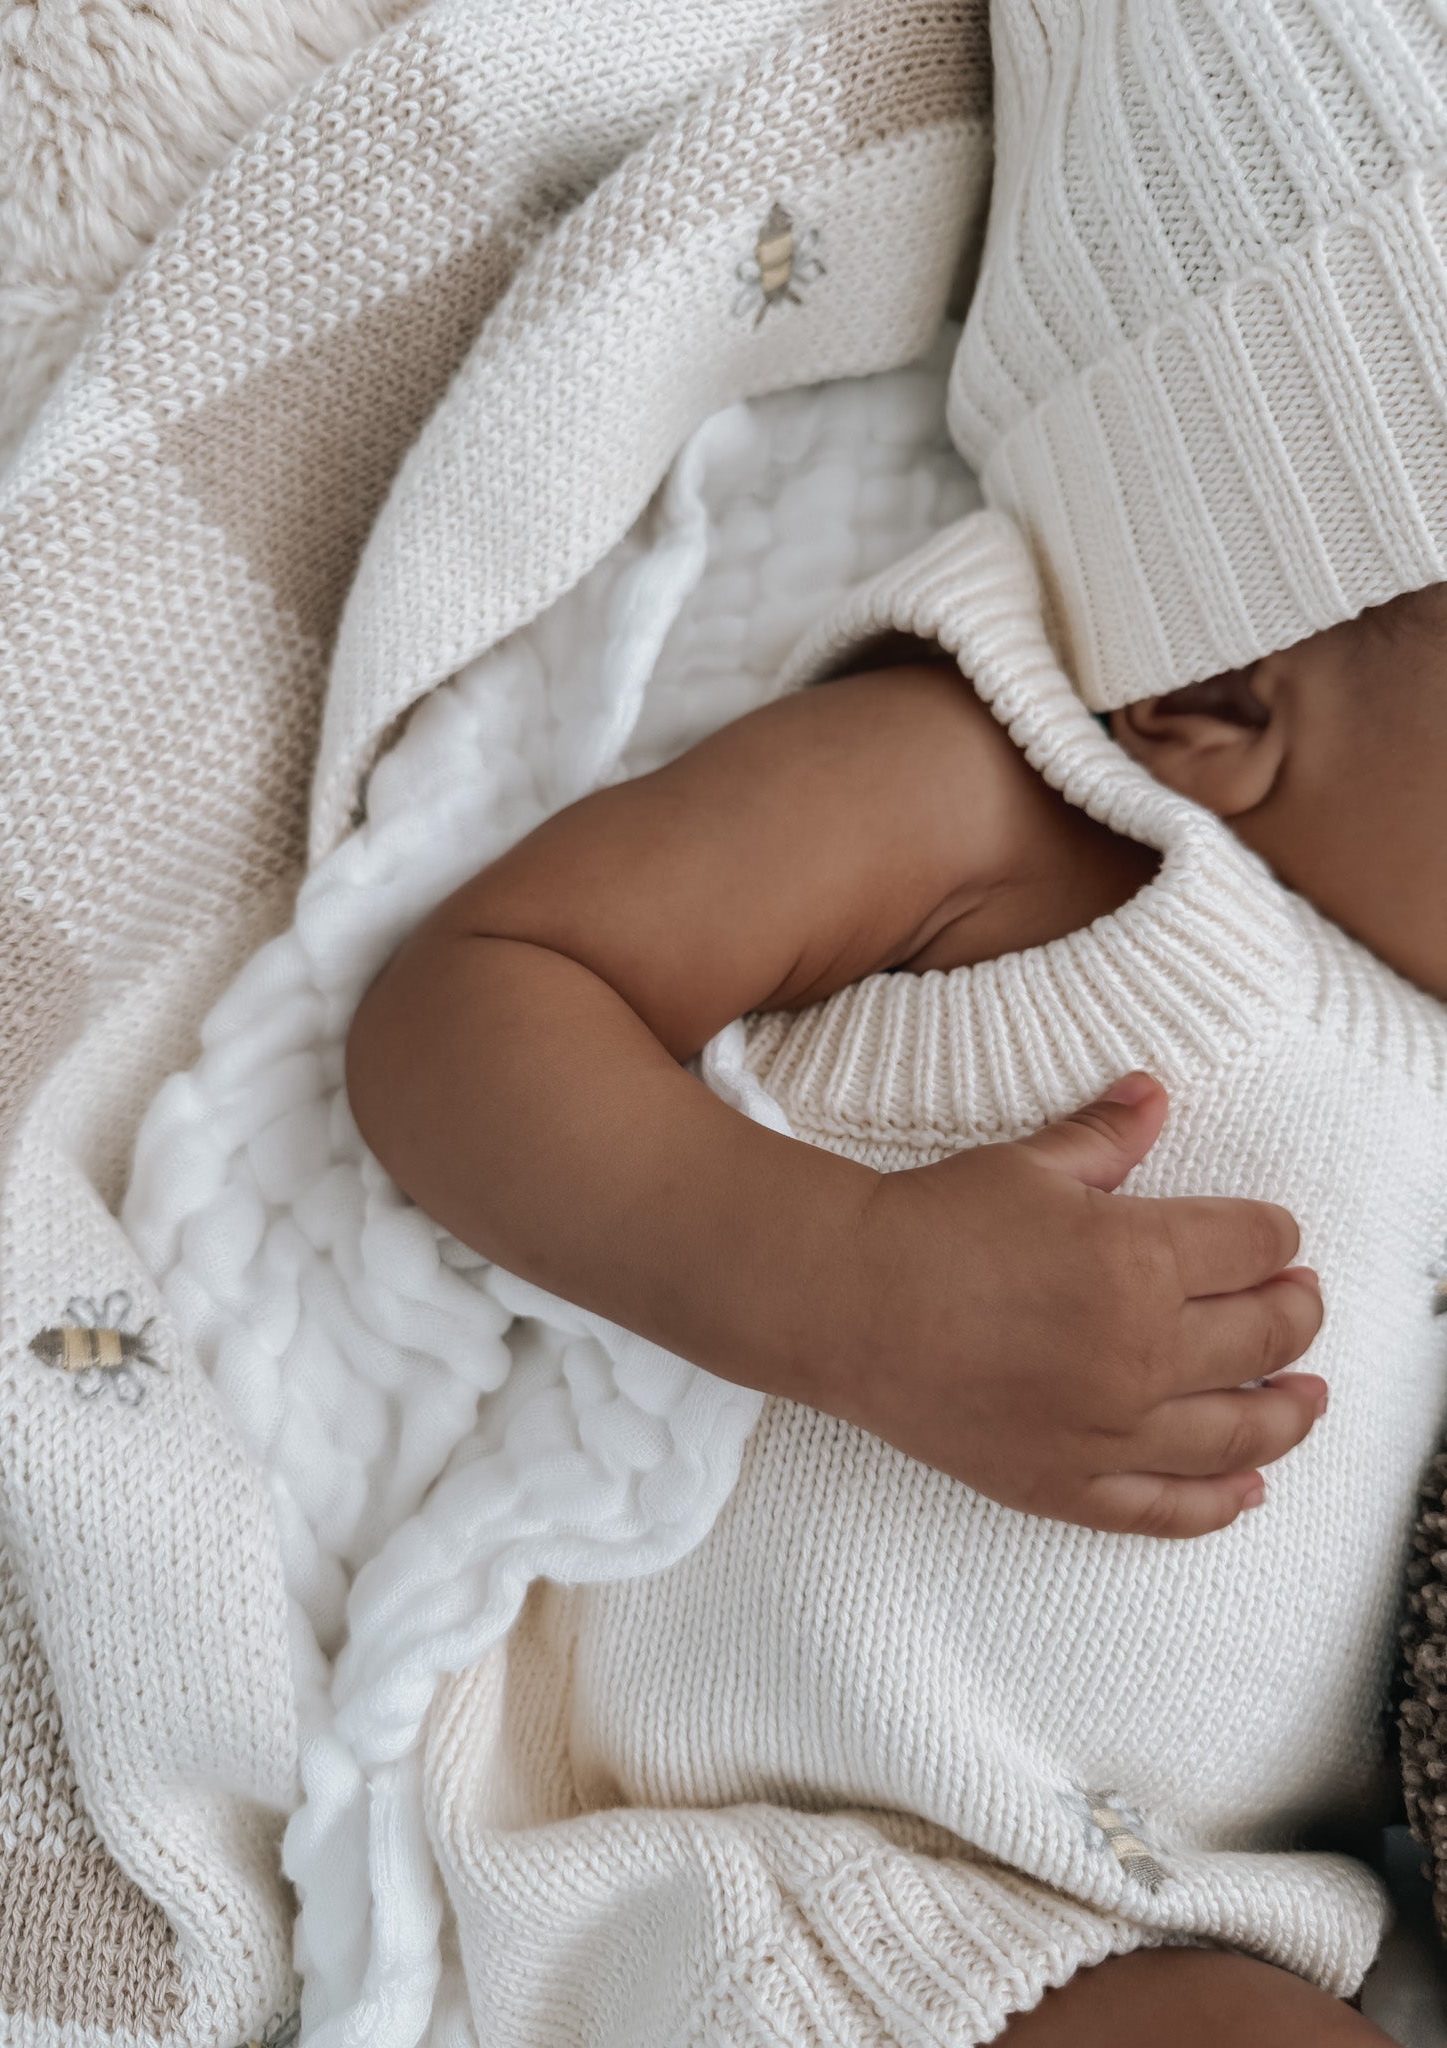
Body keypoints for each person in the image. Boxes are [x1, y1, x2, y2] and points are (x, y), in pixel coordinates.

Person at [344, 8, 1447, 2042]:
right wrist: (848, 1287)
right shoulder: (1025, 812)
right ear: (1219, 700)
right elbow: (463, 1010)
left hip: (1222, 1919)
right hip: (815, 1873)